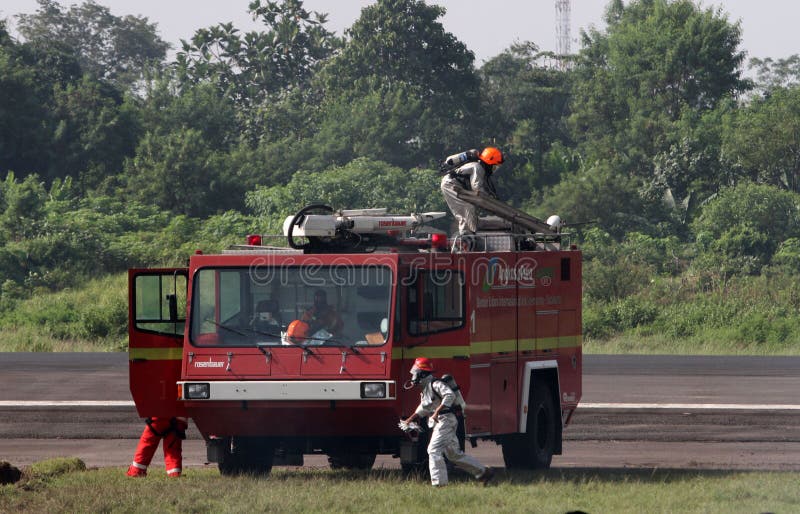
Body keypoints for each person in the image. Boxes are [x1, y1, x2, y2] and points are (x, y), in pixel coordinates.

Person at [401, 357, 494, 487]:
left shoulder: (436, 384)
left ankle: (439, 484)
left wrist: (436, 412)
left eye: (415, 372)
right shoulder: (426, 389)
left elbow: (449, 395)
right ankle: (483, 472)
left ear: (422, 374)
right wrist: (410, 419)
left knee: (433, 450)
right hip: (442, 422)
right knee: (454, 455)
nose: (413, 375)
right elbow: (423, 407)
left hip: (446, 421)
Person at [440, 146, 504, 236]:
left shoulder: (478, 166)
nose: (494, 170)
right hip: (450, 185)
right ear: (489, 163)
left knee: (469, 208)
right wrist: (489, 200)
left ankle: (470, 231)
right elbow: (477, 187)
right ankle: (468, 235)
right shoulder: (478, 168)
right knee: (468, 207)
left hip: (454, 184)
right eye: (494, 167)